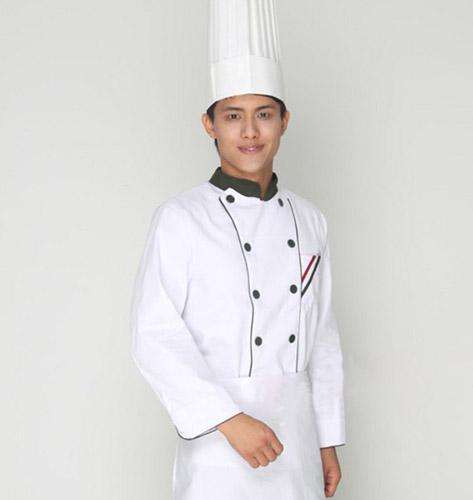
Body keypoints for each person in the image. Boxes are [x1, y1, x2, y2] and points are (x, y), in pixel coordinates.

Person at [130, 1, 346, 498]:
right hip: (218, 445)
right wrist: (229, 419)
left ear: (284, 121)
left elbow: (323, 338)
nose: (250, 132)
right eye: (233, 116)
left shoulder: (310, 220)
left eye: (263, 115)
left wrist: (327, 439)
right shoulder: (181, 218)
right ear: (210, 125)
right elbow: (153, 334)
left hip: (297, 441)